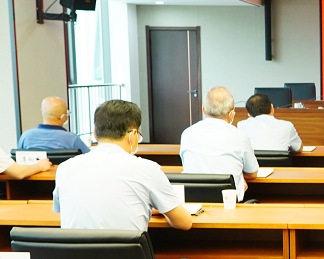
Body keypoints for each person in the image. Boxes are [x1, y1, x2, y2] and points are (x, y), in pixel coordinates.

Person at [54, 99, 193, 232]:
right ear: (133, 135)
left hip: (74, 250)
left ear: (95, 134)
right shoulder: (148, 169)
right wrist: (163, 209)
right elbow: (184, 223)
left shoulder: (65, 168)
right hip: (126, 250)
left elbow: (63, 210)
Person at [179, 86, 259, 201]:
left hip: (193, 202)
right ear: (231, 114)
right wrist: (238, 178)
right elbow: (252, 174)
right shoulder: (240, 137)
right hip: (229, 203)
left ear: (203, 109)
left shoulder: (187, 134)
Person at [17, 96, 90, 153]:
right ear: (63, 117)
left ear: (42, 112)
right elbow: (89, 159)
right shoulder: (72, 139)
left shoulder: (26, 136)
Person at [237, 93, 302, 154]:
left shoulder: (241, 125)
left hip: (253, 163)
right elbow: (298, 148)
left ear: (249, 114)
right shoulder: (287, 126)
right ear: (272, 108)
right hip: (278, 162)